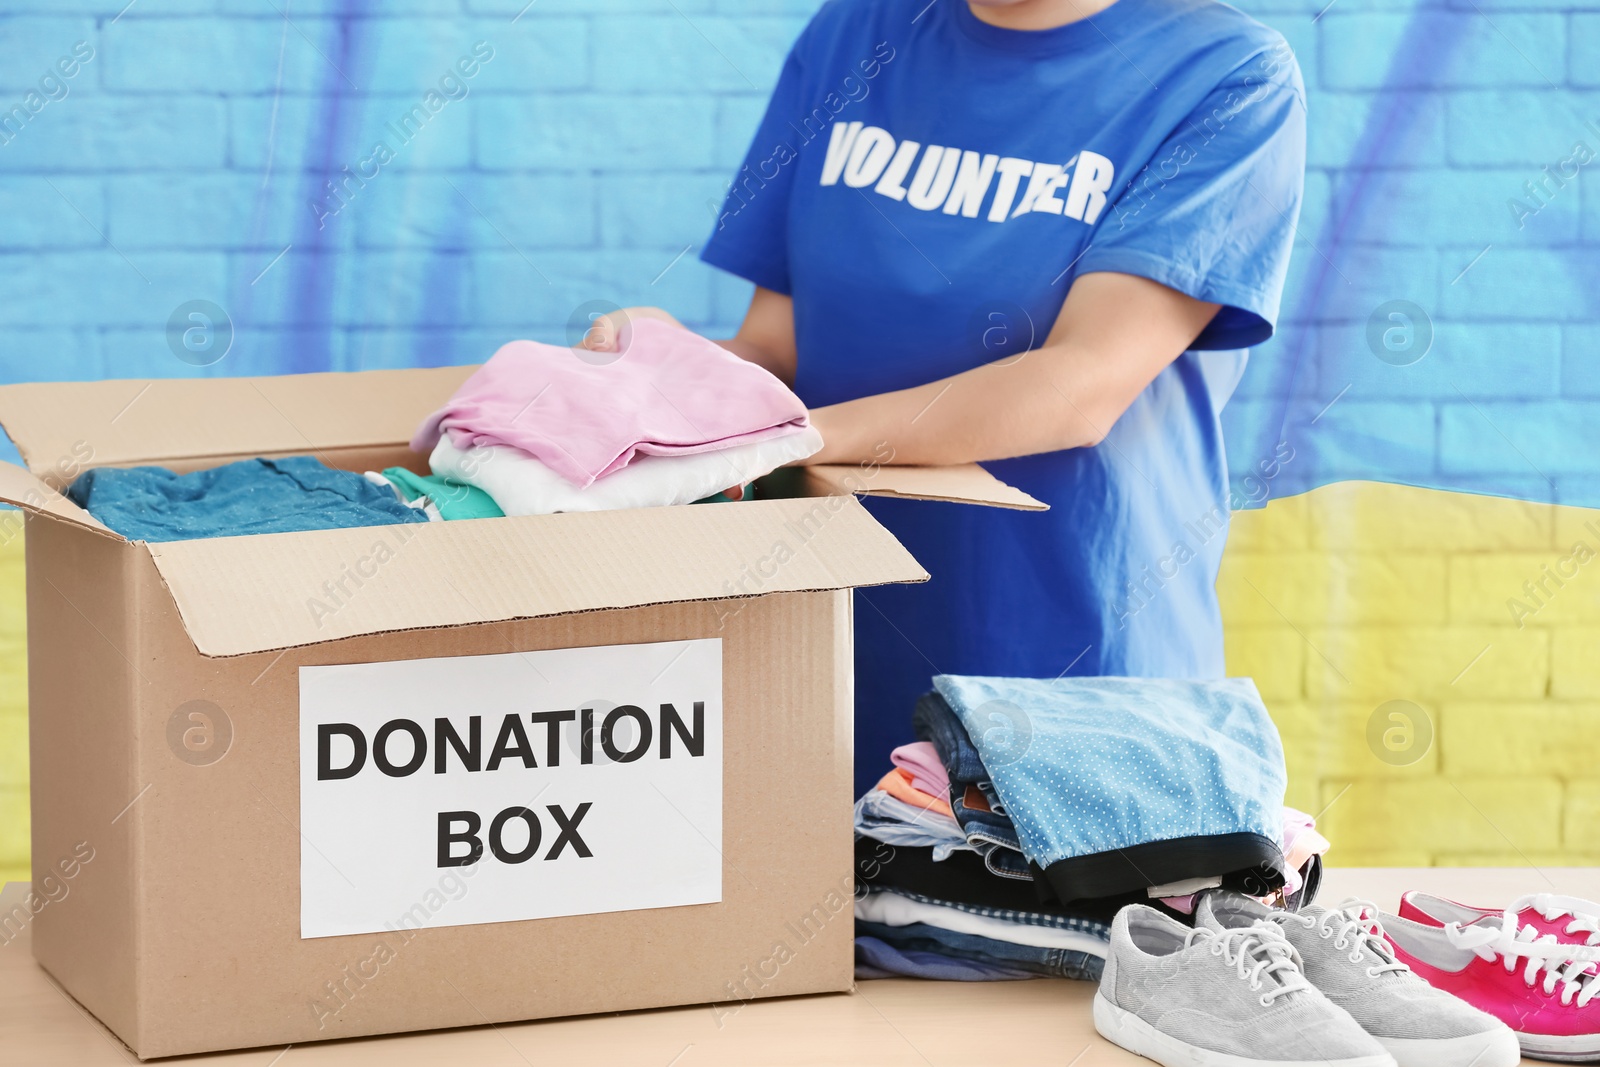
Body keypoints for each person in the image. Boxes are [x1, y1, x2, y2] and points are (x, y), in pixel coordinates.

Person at [591, 0, 1306, 795]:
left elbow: (1081, 384)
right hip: (830, 656)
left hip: (1074, 682)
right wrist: (656, 367)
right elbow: (772, 347)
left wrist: (785, 437)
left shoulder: (1224, 74)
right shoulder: (856, 35)